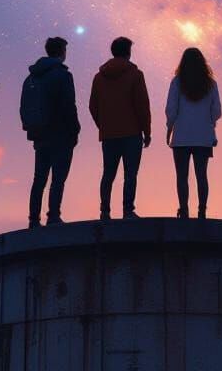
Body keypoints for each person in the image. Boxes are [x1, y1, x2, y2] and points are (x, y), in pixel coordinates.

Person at [20, 36, 80, 229]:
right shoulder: (62, 75)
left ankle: (33, 219)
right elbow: (69, 105)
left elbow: (23, 107)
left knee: (39, 178)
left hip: (40, 134)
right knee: (58, 178)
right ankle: (53, 216)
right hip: (61, 134)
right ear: (62, 52)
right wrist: (75, 130)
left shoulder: (31, 77)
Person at [89, 36, 152, 220]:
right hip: (132, 133)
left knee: (108, 173)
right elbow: (142, 105)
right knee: (130, 174)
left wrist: (103, 124)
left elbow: (93, 106)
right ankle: (127, 210)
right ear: (128, 52)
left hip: (109, 134)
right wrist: (146, 132)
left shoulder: (99, 77)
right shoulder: (135, 75)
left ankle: (105, 211)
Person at [165, 47, 221, 219]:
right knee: (202, 175)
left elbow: (171, 109)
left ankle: (183, 210)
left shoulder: (177, 82)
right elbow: (217, 111)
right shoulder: (211, 84)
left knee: (182, 176)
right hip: (203, 138)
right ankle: (202, 210)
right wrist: (210, 123)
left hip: (181, 137)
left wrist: (170, 127)